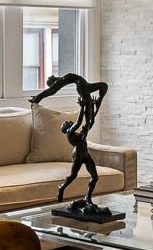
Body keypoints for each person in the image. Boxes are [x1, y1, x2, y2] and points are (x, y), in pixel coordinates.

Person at [29, 73, 110, 217]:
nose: (69, 122)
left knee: (94, 177)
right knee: (73, 175)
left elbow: (89, 124)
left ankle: (88, 197)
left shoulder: (69, 78)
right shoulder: (71, 133)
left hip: (85, 154)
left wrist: (95, 107)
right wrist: (83, 108)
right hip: (79, 155)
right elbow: (80, 123)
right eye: (67, 123)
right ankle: (62, 187)